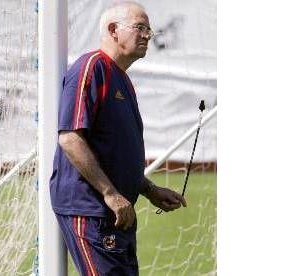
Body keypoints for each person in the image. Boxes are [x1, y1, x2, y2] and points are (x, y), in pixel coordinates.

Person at [49, 2, 187, 275]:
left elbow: (115, 152)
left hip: (117, 211)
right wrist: (110, 193)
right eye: (140, 28)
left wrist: (149, 190)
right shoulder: (91, 67)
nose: (148, 35)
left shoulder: (122, 79)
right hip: (91, 209)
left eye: (149, 30)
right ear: (113, 30)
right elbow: (70, 139)